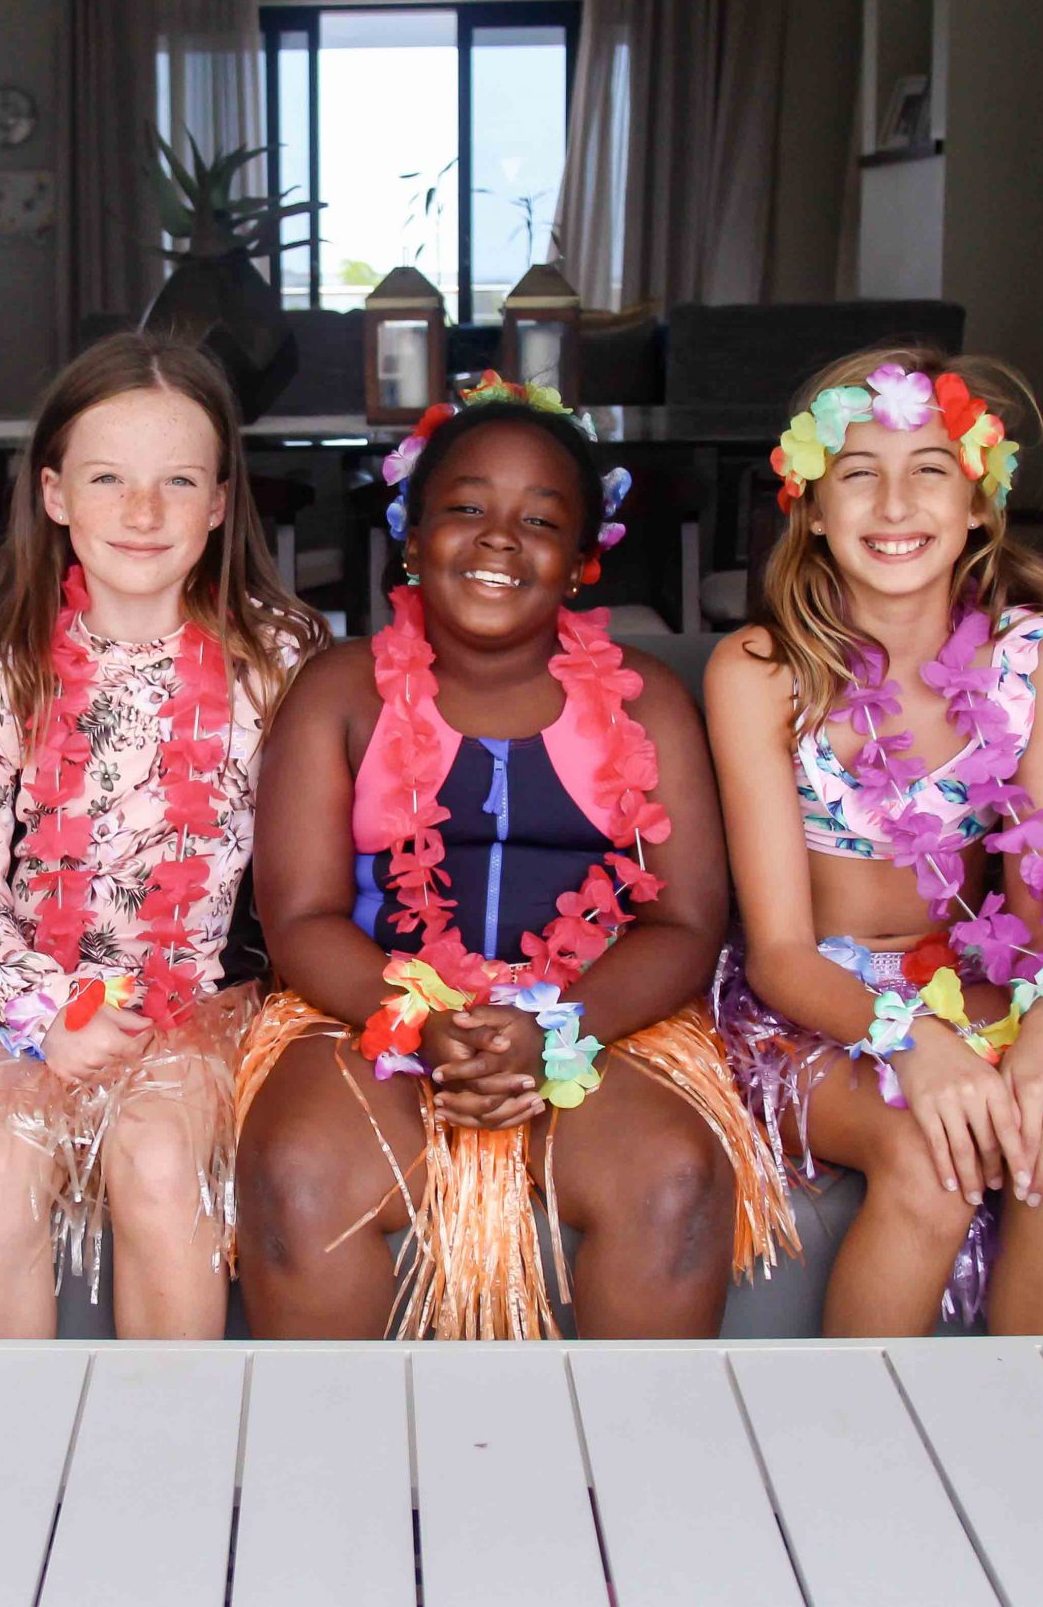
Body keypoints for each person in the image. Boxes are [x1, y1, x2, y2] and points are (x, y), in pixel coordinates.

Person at [234, 374, 793, 1340]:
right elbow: (300, 918)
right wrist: (423, 1022)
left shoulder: (648, 701)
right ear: (412, 539)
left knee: (673, 1181)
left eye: (540, 520)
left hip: (596, 1022)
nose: (500, 538)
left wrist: (558, 1029)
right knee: (299, 1177)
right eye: (466, 510)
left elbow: (686, 921)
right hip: (370, 1013)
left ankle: (626, 1445)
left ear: (581, 560)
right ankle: (334, 1444)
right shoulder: (340, 691)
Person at [704, 347, 1043, 1336]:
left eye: (929, 470)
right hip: (811, 1005)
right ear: (812, 508)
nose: (894, 503)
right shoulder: (760, 672)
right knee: (931, 1156)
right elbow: (780, 951)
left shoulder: (1036, 658)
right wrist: (910, 1040)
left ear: (976, 506)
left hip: (976, 977)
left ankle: (1033, 1425)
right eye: (857, 473)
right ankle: (856, 1434)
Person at [0, 334, 326, 1339]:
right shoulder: (8, 676)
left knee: (158, 1157)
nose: (143, 511)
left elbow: (313, 866)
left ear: (219, 502)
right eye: (107, 479)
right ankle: (6, 1428)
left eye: (178, 481)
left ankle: (163, 1430)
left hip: (209, 998)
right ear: (54, 495)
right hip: (33, 999)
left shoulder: (279, 661)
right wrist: (45, 1010)